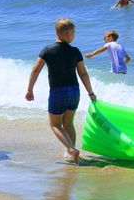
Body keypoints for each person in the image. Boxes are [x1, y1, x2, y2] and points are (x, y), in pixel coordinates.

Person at [25, 18, 97, 164]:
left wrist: (29, 90)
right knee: (68, 123)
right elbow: (83, 73)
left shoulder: (48, 50)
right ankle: (71, 152)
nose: (74, 36)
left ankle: (71, 149)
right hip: (74, 91)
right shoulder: (75, 51)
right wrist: (90, 92)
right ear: (67, 34)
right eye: (74, 33)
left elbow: (35, 70)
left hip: (58, 92)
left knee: (54, 124)